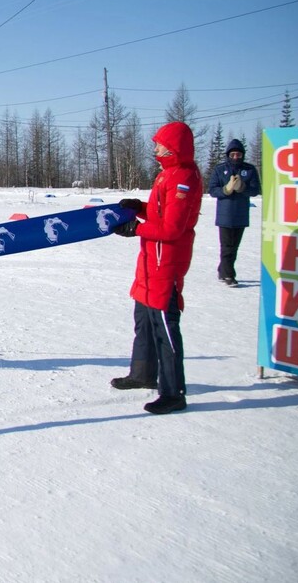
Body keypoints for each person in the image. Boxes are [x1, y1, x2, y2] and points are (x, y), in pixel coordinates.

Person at [110, 121, 203, 415]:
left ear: (173, 146)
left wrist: (136, 229)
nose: (155, 148)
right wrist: (139, 207)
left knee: (165, 329)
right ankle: (143, 374)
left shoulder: (183, 178)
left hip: (166, 263)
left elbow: (173, 228)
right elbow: (159, 212)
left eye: (160, 144)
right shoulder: (167, 174)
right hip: (150, 262)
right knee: (144, 323)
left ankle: (173, 392)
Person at [207, 138, 261, 287]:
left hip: (241, 214)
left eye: (238, 154)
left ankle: (222, 270)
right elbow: (212, 190)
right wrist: (225, 190)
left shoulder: (249, 170)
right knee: (226, 246)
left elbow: (255, 190)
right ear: (228, 155)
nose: (236, 157)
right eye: (233, 155)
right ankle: (229, 275)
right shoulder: (220, 169)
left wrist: (242, 187)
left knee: (234, 246)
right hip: (225, 214)